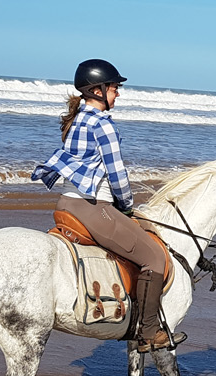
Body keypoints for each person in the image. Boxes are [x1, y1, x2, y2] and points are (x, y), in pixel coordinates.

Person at [31, 59, 184, 352]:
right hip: (92, 207)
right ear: (98, 90)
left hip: (68, 203)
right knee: (154, 258)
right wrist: (126, 206)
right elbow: (117, 175)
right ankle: (149, 332)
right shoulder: (102, 125)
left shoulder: (77, 119)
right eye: (114, 86)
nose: (118, 92)